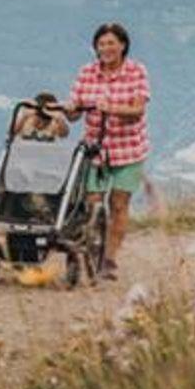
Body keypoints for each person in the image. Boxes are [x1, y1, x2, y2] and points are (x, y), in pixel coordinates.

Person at [66, 22, 150, 281]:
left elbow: (138, 109)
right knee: (91, 202)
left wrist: (111, 108)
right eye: (101, 44)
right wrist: (70, 109)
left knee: (119, 204)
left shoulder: (136, 71)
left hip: (129, 149)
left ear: (123, 45)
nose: (106, 48)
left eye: (111, 43)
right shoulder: (87, 72)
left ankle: (109, 259)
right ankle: (91, 250)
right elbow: (74, 111)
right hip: (96, 149)